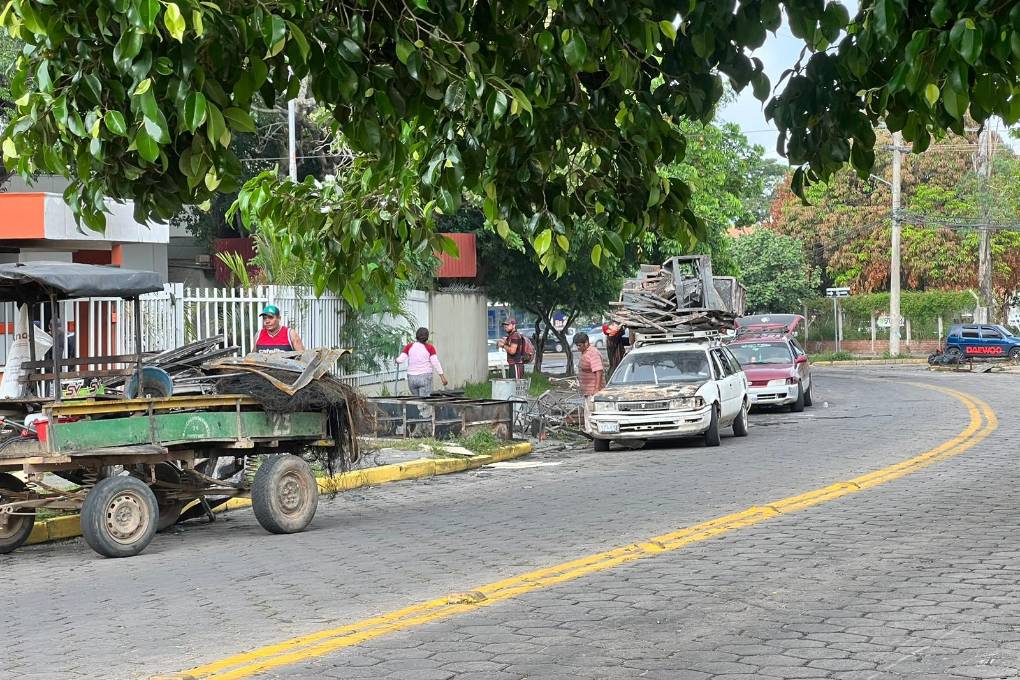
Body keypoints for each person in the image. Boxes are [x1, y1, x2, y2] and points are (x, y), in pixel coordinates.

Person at [396, 327, 448, 397]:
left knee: (418, 401)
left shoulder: (409, 346)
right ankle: (424, 408)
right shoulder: (430, 347)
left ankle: (420, 408)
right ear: (427, 337)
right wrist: (442, 377)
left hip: (412, 378)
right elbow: (435, 363)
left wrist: (396, 360)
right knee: (425, 402)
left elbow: (400, 360)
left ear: (416, 336)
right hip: (425, 377)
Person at [574, 332, 605, 434]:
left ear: (586, 343)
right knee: (588, 412)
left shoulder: (593, 353)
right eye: (577, 345)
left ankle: (593, 432)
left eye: (580, 345)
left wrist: (596, 389)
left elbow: (598, 371)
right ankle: (590, 432)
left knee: (591, 412)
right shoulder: (585, 352)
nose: (578, 348)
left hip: (593, 390)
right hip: (587, 390)